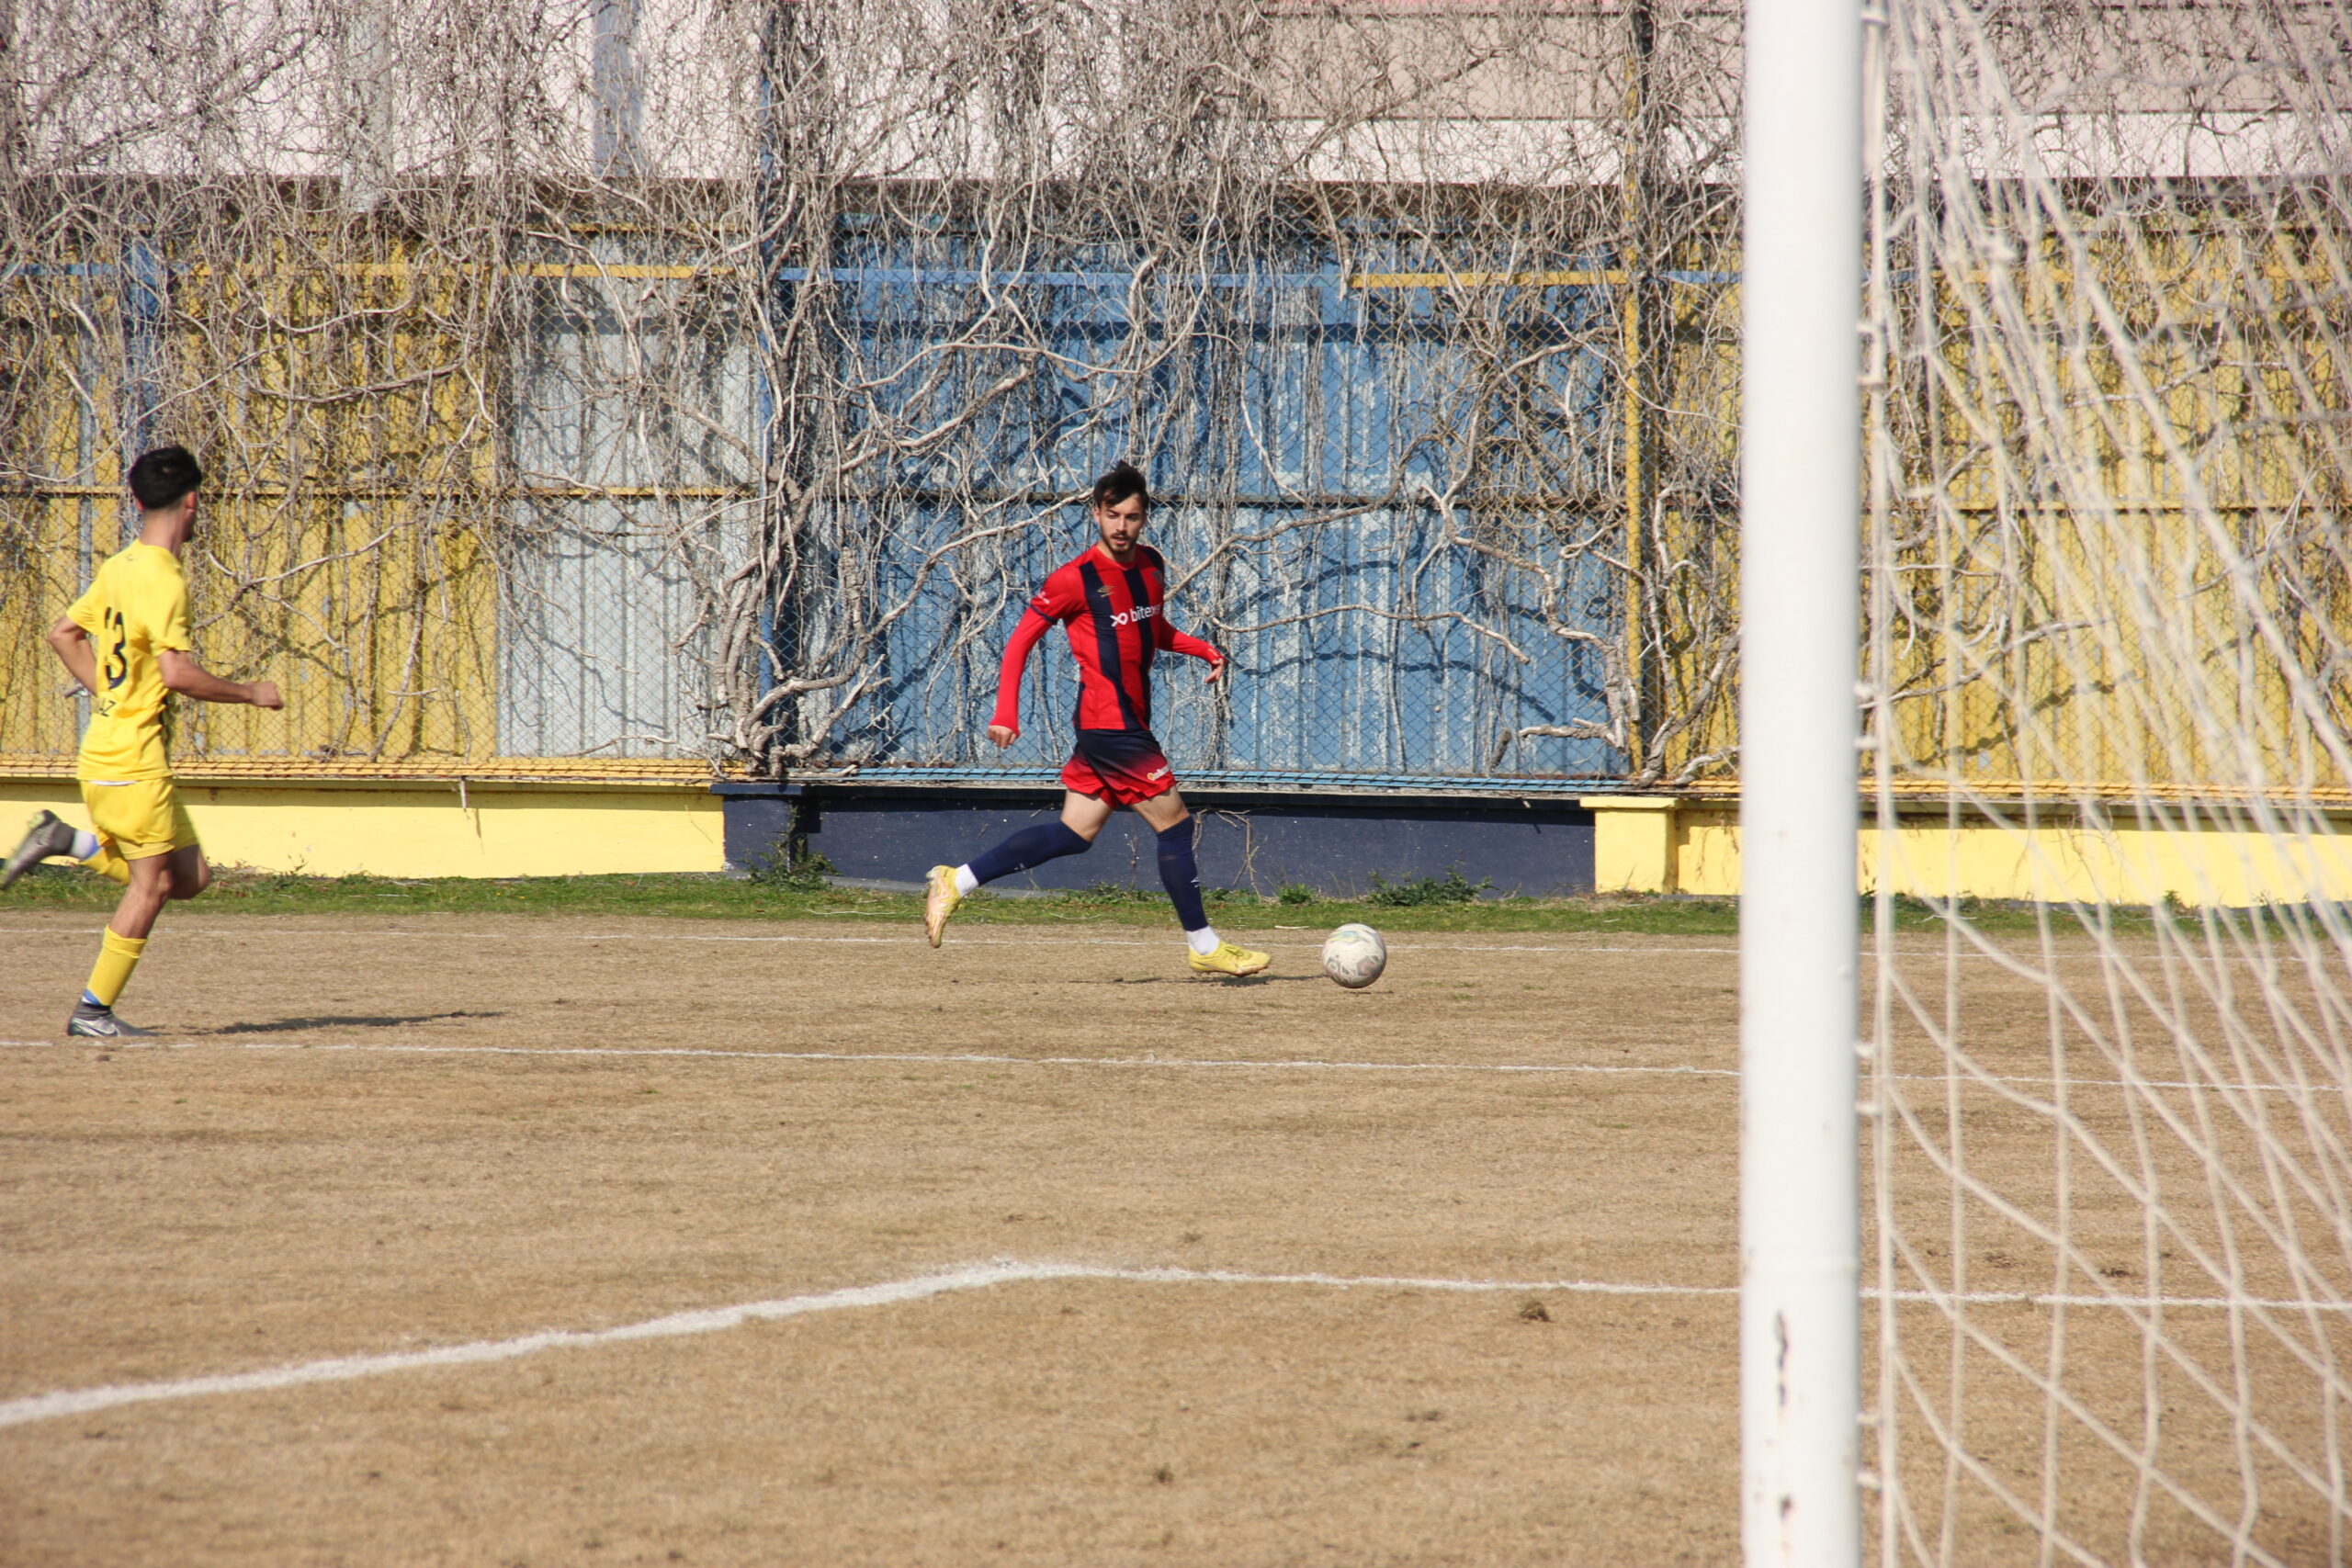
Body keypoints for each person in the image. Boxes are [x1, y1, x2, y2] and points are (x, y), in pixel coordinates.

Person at [923, 462, 1270, 977]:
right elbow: (1019, 641)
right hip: (1110, 727)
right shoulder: (1074, 579)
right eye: (1112, 515)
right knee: (1175, 826)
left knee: (1075, 832)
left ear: (1145, 517)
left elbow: (1155, 629)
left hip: (1125, 723)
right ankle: (1204, 945)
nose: (1122, 527)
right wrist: (1005, 711)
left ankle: (958, 880)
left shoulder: (1152, 565)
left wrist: (1203, 650)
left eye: (1132, 516)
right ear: (1096, 514)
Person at [1, 446, 283, 1038]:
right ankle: (92, 1012)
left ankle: (64, 839)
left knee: (190, 878)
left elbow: (63, 633)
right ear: (193, 500)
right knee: (151, 885)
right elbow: (177, 673)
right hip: (133, 760)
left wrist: (109, 695)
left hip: (108, 747)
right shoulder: (165, 579)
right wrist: (252, 692)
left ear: (135, 501)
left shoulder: (120, 565)